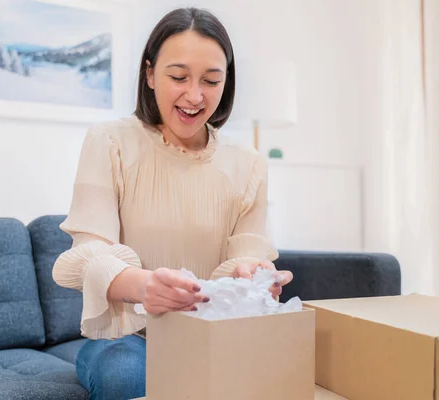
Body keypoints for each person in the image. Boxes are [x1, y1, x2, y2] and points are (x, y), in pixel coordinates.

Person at [52, 7, 293, 400]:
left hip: (213, 333)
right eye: (178, 77)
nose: (194, 96)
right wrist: (144, 285)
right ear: (149, 74)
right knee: (127, 373)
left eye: (211, 80)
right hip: (128, 336)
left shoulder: (248, 164)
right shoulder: (110, 142)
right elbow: (85, 255)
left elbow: (246, 256)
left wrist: (255, 275)